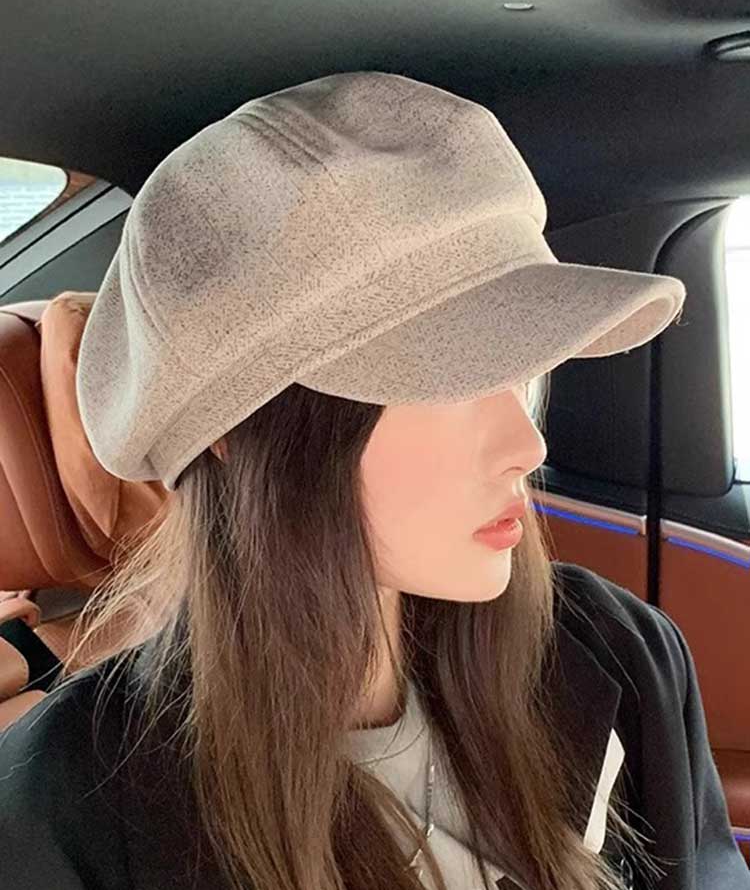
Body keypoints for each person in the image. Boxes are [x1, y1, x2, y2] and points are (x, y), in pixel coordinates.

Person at [0, 70, 745, 890]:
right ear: (233, 433)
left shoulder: (620, 651)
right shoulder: (71, 807)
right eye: (454, 379)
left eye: (525, 370)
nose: (526, 445)